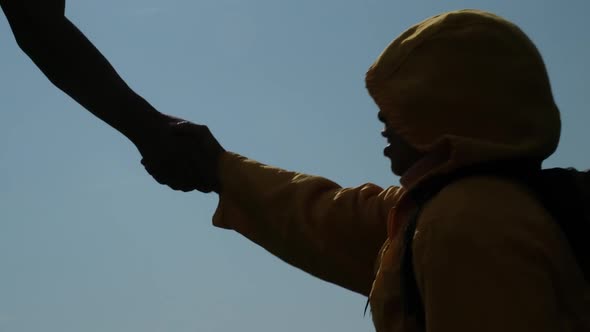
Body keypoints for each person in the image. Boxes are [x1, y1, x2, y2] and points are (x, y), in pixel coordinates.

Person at [1, 3, 588, 332]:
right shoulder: (433, 212)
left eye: (403, 105)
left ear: (453, 112)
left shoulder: (468, 224)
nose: (383, 122)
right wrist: (218, 168)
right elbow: (324, 214)